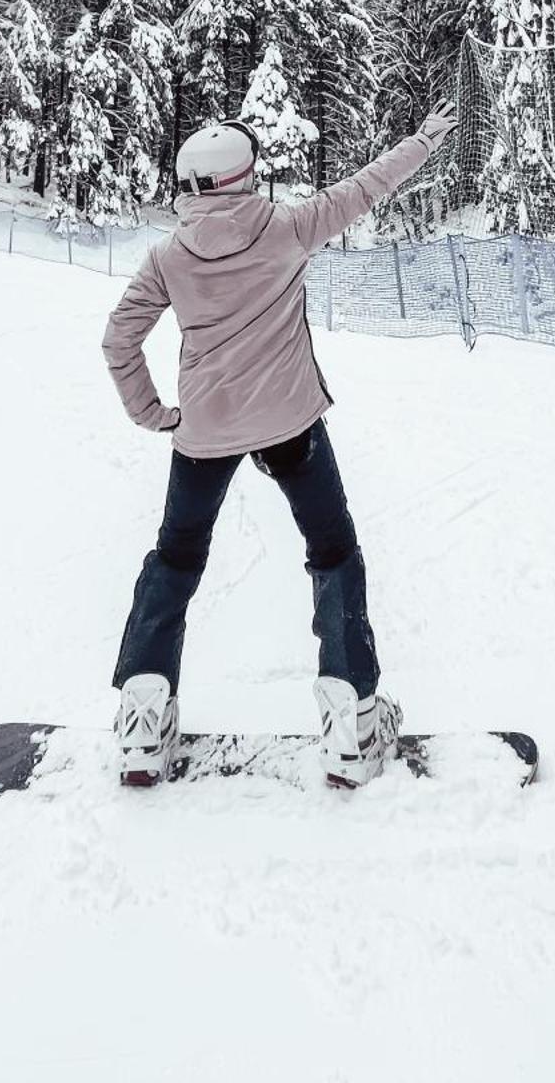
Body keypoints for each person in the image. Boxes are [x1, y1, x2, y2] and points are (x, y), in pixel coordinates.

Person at [101, 103, 458, 787]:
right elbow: (367, 186)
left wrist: (152, 413)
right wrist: (422, 139)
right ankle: (351, 722)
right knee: (334, 553)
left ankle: (144, 722)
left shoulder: (169, 258)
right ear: (246, 178)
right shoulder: (290, 228)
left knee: (175, 561)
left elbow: (119, 341)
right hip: (292, 424)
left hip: (202, 434)